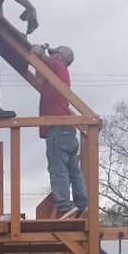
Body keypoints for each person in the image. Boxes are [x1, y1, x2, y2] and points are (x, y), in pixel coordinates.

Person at [30, 43, 88, 217]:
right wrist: (38, 57)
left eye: (55, 54)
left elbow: (43, 58)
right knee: (72, 170)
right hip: (68, 131)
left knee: (58, 169)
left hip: (58, 129)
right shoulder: (55, 77)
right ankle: (81, 203)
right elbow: (39, 76)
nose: (52, 56)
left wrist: (39, 51)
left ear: (61, 57)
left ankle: (64, 205)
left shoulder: (59, 68)